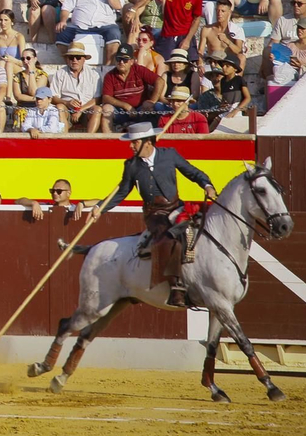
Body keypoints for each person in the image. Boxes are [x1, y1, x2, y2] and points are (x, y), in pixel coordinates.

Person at [87, 121, 218, 307]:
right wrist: (100, 207)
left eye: (134, 142)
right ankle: (176, 287)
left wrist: (207, 185)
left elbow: (193, 172)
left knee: (199, 230)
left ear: (147, 142)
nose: (131, 146)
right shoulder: (131, 165)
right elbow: (122, 192)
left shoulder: (169, 154)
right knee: (168, 237)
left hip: (176, 207)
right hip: (154, 213)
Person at [55, 0, 124, 64]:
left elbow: (118, 6)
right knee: (62, 33)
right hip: (80, 26)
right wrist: (63, 20)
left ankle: (107, 66)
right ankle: (70, 64)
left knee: (114, 33)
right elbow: (66, 8)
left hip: (105, 26)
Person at [137, 0, 206, 59]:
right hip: (167, 35)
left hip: (184, 34)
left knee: (189, 65)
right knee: (162, 62)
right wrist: (133, 9)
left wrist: (187, 40)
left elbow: (196, 19)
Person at [100, 45, 157, 131]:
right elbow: (106, 97)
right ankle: (108, 141)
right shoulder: (109, 76)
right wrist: (126, 106)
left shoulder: (139, 70)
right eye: (119, 59)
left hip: (141, 110)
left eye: (125, 59)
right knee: (106, 108)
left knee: (158, 108)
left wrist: (152, 101)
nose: (121, 62)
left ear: (132, 61)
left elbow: (160, 81)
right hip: (120, 111)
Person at [50, 42, 103, 132]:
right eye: (71, 57)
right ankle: (63, 139)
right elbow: (53, 97)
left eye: (78, 57)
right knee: (59, 107)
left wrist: (81, 110)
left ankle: (89, 141)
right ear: (67, 59)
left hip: (86, 109)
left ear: (84, 59)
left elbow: (97, 98)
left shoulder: (94, 74)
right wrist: (67, 103)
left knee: (97, 109)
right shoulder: (60, 73)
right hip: (67, 110)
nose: (74, 60)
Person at [17, 179, 83, 221]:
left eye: (59, 191)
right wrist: (33, 203)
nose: (54, 193)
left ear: (68, 193)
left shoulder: (76, 209)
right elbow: (18, 201)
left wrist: (82, 204)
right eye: (52, 191)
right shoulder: (45, 206)